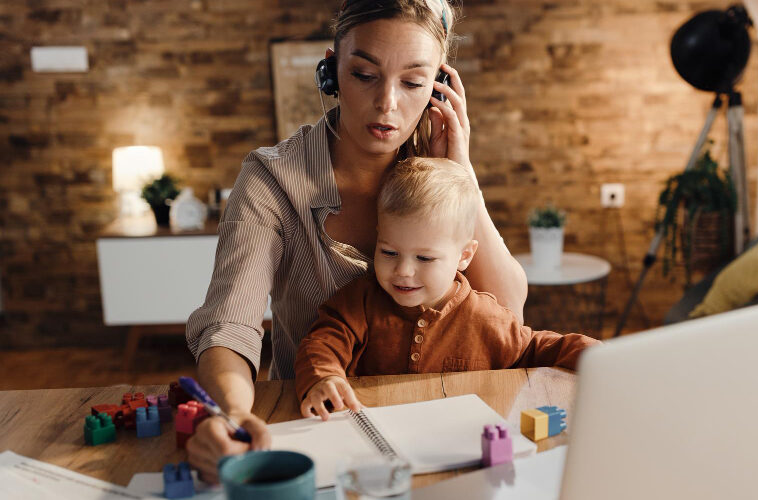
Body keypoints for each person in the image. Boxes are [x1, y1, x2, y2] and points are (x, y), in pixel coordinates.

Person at [183, 0, 529, 483]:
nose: (387, 102)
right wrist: (234, 412)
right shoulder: (271, 180)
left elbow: (507, 308)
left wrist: (461, 172)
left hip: (443, 431)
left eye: (412, 82)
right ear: (331, 71)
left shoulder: (439, 173)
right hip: (317, 428)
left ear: (438, 89)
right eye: (364, 74)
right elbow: (230, 326)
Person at [296, 157, 600, 420]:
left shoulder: (486, 318)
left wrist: (601, 359)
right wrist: (324, 378)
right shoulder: (359, 302)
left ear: (464, 256)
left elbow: (536, 349)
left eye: (424, 257)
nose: (403, 271)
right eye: (389, 252)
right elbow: (321, 343)